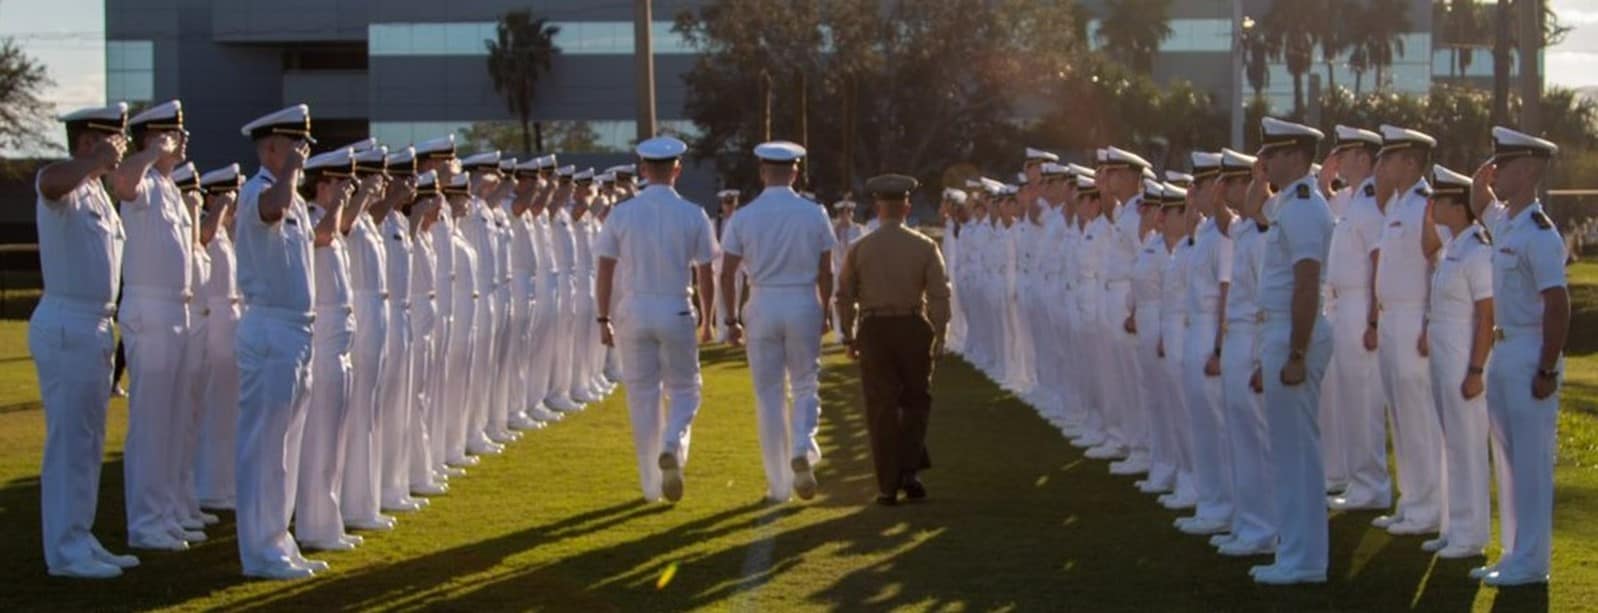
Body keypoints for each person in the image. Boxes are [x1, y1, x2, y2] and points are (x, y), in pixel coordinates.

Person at [32, 102, 140, 578]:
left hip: (96, 325)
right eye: (113, 139)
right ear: (88, 141)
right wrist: (93, 163)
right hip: (66, 322)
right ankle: (64, 549)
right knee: (68, 443)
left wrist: (97, 169)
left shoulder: (96, 192)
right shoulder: (68, 185)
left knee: (89, 442)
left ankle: (80, 534)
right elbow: (49, 182)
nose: (122, 147)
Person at [594, 136, 717, 503]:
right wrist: (709, 319)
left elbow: (604, 269)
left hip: (633, 309)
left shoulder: (623, 212)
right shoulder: (693, 213)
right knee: (685, 390)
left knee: (642, 396)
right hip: (675, 306)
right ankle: (673, 442)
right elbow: (706, 272)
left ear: (644, 170)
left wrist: (603, 317)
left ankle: (651, 485)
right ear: (677, 170)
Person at [719, 140, 837, 503]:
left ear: (762, 172)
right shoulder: (814, 212)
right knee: (804, 384)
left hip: (763, 301)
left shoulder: (744, 216)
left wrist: (730, 318)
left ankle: (778, 482)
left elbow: (727, 273)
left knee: (768, 395)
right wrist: (826, 309)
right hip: (801, 299)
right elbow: (825, 269)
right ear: (796, 172)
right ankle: (801, 446)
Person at [1475, 127, 1567, 587]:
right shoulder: (1505, 221)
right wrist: (1488, 168)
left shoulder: (1539, 232)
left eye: (1505, 164)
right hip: (1504, 347)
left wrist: (1547, 367)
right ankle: (1513, 554)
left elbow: (1557, 304)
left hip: (1531, 349)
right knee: (1508, 461)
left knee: (1530, 464)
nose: (1496, 172)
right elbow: (1477, 199)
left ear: (1529, 170)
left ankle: (1533, 563)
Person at [234, 104, 323, 579]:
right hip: (269, 328)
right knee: (264, 448)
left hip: (295, 329)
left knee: (286, 448)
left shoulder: (287, 194)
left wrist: (291, 173)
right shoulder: (259, 191)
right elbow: (271, 212)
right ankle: (260, 552)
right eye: (296, 145)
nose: (303, 154)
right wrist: (289, 171)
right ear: (271, 147)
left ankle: (279, 543)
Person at [112, 100, 201, 551]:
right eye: (173, 134)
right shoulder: (144, 180)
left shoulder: (168, 187)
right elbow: (121, 183)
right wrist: (148, 152)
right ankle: (146, 523)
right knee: (150, 423)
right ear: (154, 137)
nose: (182, 140)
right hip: (151, 308)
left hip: (177, 310)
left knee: (172, 422)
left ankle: (166, 515)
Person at [1250, 117, 1335, 585]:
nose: (1265, 162)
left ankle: (1304, 561)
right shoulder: (1287, 203)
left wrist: (1297, 354)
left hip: (1293, 333)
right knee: (1289, 453)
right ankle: (1294, 553)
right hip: (1282, 332)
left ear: (1298, 158)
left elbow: (1306, 284)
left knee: (1299, 455)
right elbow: (1252, 211)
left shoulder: (1303, 206)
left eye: (1273, 154)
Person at [835, 173, 951, 506]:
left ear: (877, 207)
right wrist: (940, 334)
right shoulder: (925, 246)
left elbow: (845, 295)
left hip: (875, 329)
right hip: (913, 325)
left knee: (881, 407)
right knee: (915, 402)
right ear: (907, 207)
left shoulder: (860, 248)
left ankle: (888, 484)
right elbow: (939, 294)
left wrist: (847, 334)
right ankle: (910, 471)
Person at [1370, 124, 1446, 536]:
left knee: (1418, 415)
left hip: (1414, 316)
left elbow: (1438, 266)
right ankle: (1411, 499)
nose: (1382, 165)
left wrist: (1430, 321)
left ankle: (1429, 507)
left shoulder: (1424, 205)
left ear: (1412, 163)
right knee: (1399, 414)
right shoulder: (1399, 204)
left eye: (1390, 157)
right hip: (1390, 318)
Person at [1419, 164, 1495, 559]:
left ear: (1459, 207)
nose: (1432, 205)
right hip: (1443, 354)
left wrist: (1476, 369)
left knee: (1467, 446)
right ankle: (1454, 527)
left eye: (1440, 200)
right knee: (1451, 444)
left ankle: (1471, 536)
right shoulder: (1453, 247)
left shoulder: (1478, 250)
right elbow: (1425, 248)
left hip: (1462, 355)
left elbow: (1487, 314)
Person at [1322, 125, 1393, 512]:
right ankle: (1356, 479)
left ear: (1364, 159)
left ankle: (1373, 484)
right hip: (1341, 306)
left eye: (1345, 155)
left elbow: (1378, 261)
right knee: (1349, 398)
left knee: (1365, 398)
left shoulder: (1370, 203)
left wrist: (1372, 321)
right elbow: (1321, 195)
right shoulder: (1350, 200)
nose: (1338, 162)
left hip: (1359, 306)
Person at [295, 147, 362, 552]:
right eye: (340, 183)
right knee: (320, 436)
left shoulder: (329, 220)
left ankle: (328, 520)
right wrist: (339, 203)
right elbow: (322, 239)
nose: (346, 191)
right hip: (321, 337)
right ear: (323, 184)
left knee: (334, 436)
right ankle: (315, 523)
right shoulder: (311, 218)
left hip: (340, 336)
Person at [1214, 150, 1276, 556]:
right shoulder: (1245, 233)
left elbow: (1267, 303)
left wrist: (1260, 360)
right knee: (1240, 436)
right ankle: (1247, 520)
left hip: (1252, 339)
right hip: (1236, 337)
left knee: (1256, 438)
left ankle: (1263, 528)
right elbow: (1226, 224)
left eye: (1252, 183)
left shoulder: (1266, 238)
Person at [195, 164, 244, 512]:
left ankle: (224, 483)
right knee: (213, 410)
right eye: (229, 194)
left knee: (228, 411)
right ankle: (209, 486)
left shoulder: (227, 233)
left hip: (231, 320)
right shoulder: (206, 227)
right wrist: (219, 208)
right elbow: (203, 236)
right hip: (213, 322)